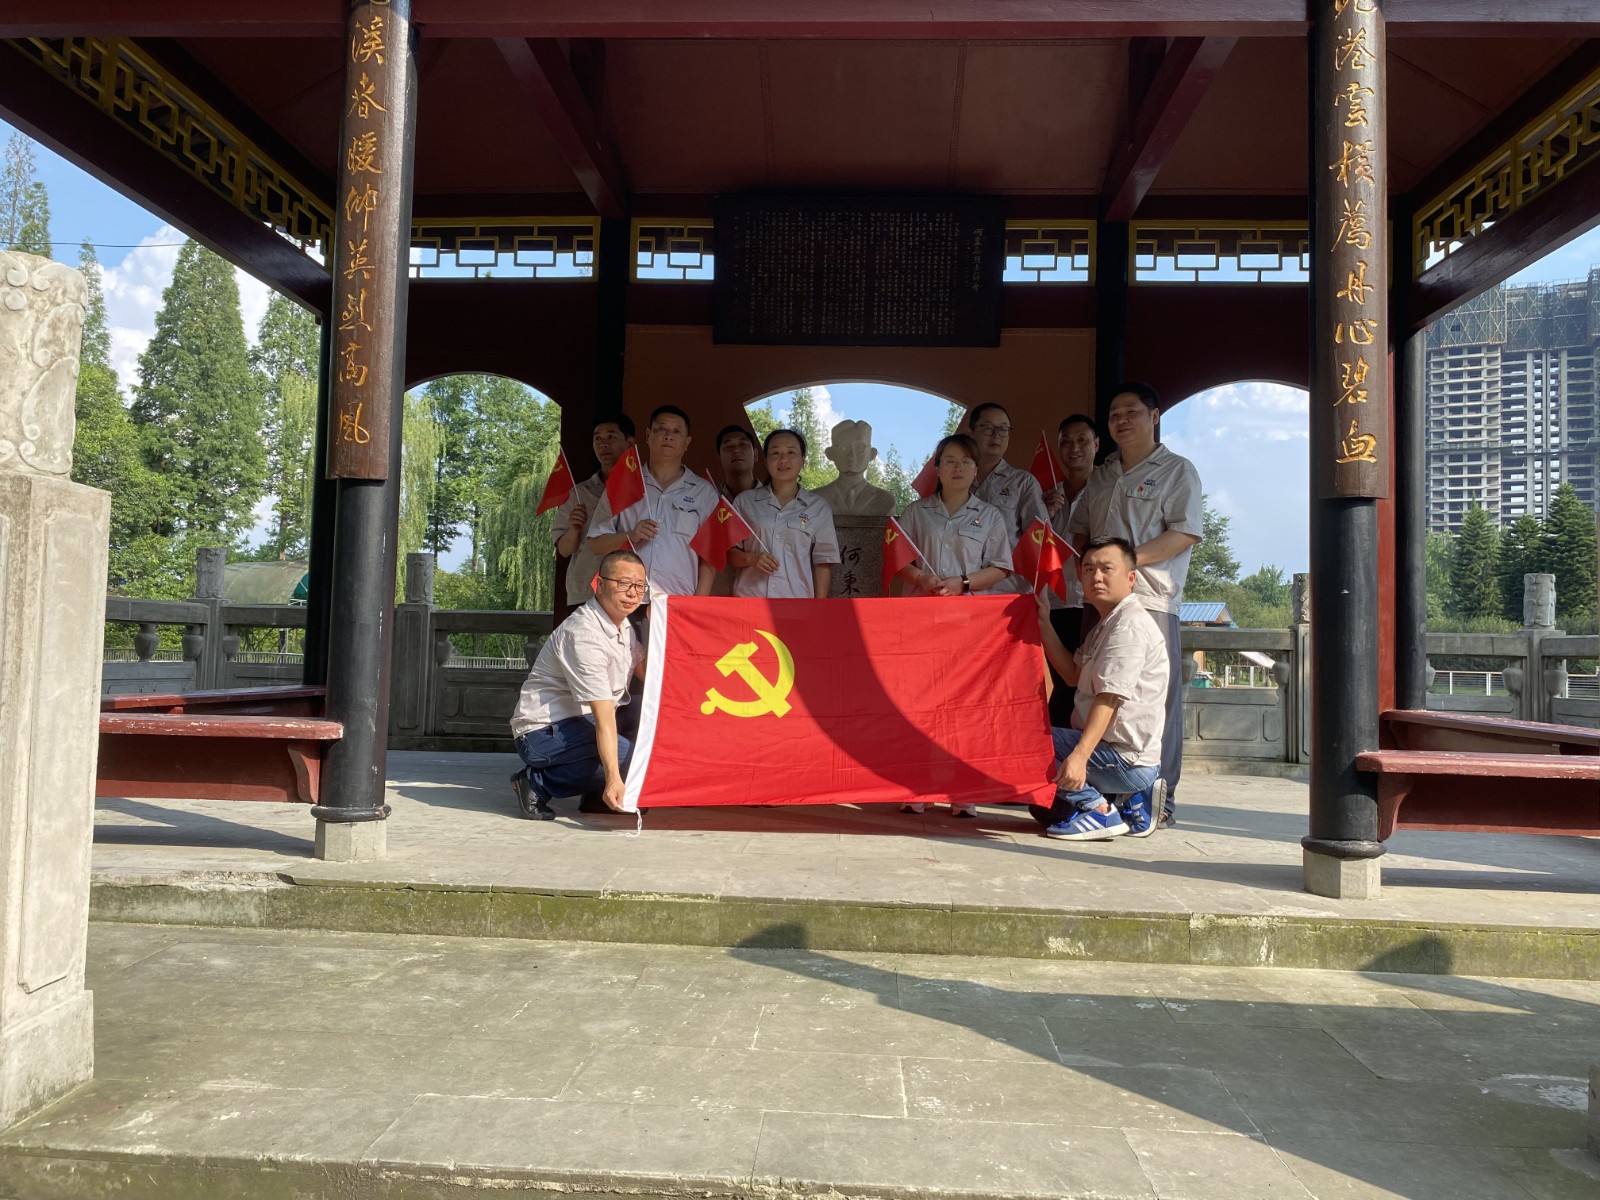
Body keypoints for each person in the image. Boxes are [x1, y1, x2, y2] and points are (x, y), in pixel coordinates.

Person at [1067, 382, 1201, 829]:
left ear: (1154, 416)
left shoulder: (1177, 471)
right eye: (1114, 414)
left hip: (1149, 597)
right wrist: (1092, 568)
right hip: (1100, 599)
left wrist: (1127, 561)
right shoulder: (1101, 475)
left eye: (1131, 412)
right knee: (1094, 689)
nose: (1121, 420)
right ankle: (1102, 793)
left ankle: (1158, 798)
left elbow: (1184, 533)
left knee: (1154, 702)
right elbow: (1081, 529)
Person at [893, 432, 1013, 818]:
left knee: (964, 705)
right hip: (921, 620)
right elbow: (899, 559)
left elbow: (1001, 567)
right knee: (919, 702)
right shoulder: (916, 512)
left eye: (965, 462)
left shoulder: (989, 516)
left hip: (968, 624)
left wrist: (963, 582)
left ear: (976, 470)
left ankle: (963, 790)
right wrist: (921, 578)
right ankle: (917, 787)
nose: (957, 468)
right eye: (950, 461)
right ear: (937, 468)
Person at [1032, 536, 1169, 841]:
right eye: (1089, 569)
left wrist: (1079, 757)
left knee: (1024, 741)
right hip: (1110, 752)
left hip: (1122, 757)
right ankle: (1129, 798)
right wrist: (1043, 622)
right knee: (1045, 810)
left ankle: (1099, 809)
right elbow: (1071, 675)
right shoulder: (1106, 624)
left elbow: (1109, 698)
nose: (1096, 577)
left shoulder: (1128, 627)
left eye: (1107, 569)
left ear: (1131, 578)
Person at [509, 550, 648, 819]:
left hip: (584, 720)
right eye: (623, 583)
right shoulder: (584, 634)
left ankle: (596, 796)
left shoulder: (622, 624)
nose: (632, 593)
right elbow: (603, 715)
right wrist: (614, 778)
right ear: (599, 583)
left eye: (639, 586)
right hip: (543, 731)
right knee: (633, 760)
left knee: (651, 713)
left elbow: (645, 670)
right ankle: (537, 783)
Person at [588, 404, 718, 599]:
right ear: (648, 435)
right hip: (625, 600)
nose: (668, 436)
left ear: (687, 442)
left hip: (678, 601)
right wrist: (630, 535)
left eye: (676, 431)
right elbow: (596, 544)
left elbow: (710, 557)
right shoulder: (623, 483)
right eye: (661, 429)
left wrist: (697, 604)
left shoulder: (704, 492)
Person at [729, 429, 841, 599]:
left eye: (791, 452)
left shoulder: (818, 507)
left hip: (796, 602)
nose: (783, 459)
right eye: (775, 453)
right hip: (750, 601)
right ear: (766, 460)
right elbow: (729, 552)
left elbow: (823, 563)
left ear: (803, 460)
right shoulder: (745, 502)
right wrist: (751, 559)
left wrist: (818, 607)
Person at [1043, 413, 1099, 725]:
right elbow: (1033, 546)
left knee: (1088, 684)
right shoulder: (1047, 495)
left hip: (1093, 603)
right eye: (1066, 442)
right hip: (1056, 603)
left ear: (1096, 445)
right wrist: (1044, 512)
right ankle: (1059, 744)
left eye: (1082, 441)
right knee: (1060, 683)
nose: (1074, 448)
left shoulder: (1107, 491)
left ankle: (1080, 745)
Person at [552, 414, 636, 610]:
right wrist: (574, 529)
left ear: (630, 443)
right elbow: (564, 550)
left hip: (632, 590)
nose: (603, 444)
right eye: (597, 438)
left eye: (611, 437)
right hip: (586, 590)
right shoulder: (578, 493)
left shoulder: (645, 489)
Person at [966, 402, 1050, 593]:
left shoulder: (1023, 483)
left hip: (1008, 592)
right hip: (963, 591)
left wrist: (1042, 594)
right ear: (970, 431)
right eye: (988, 428)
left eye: (1003, 429)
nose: (996, 435)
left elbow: (1042, 543)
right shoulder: (956, 480)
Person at [813, 418, 895, 516]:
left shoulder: (885, 500)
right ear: (830, 454)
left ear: (872, 454)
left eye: (860, 448)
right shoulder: (814, 499)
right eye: (843, 447)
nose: (852, 455)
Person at [715, 424, 760, 499]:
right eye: (729, 446)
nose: (736, 450)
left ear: (755, 455)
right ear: (719, 459)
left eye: (743, 444)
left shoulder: (774, 496)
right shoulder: (710, 498)